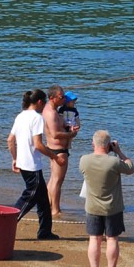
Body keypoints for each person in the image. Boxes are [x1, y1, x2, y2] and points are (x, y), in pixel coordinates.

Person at [79, 129, 134, 267]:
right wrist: (119, 152)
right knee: (112, 239)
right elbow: (130, 167)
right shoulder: (114, 162)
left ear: (93, 144)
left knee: (94, 239)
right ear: (109, 146)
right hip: (112, 207)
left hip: (92, 207)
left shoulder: (84, 160)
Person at [7, 89, 62, 240]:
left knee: (43, 200)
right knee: (29, 198)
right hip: (31, 166)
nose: (44, 105)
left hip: (24, 164)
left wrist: (14, 158)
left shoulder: (20, 116)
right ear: (39, 102)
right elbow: (38, 144)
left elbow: (10, 140)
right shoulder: (37, 118)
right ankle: (6, 221)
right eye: (44, 102)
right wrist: (55, 157)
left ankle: (45, 232)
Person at [43, 84, 80, 218]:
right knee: (58, 180)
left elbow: (60, 126)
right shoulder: (51, 113)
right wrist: (71, 135)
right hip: (58, 149)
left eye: (64, 96)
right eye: (61, 97)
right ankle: (55, 210)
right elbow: (55, 134)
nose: (64, 99)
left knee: (54, 179)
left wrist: (69, 127)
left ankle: (48, 205)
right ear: (52, 98)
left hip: (57, 148)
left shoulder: (55, 109)